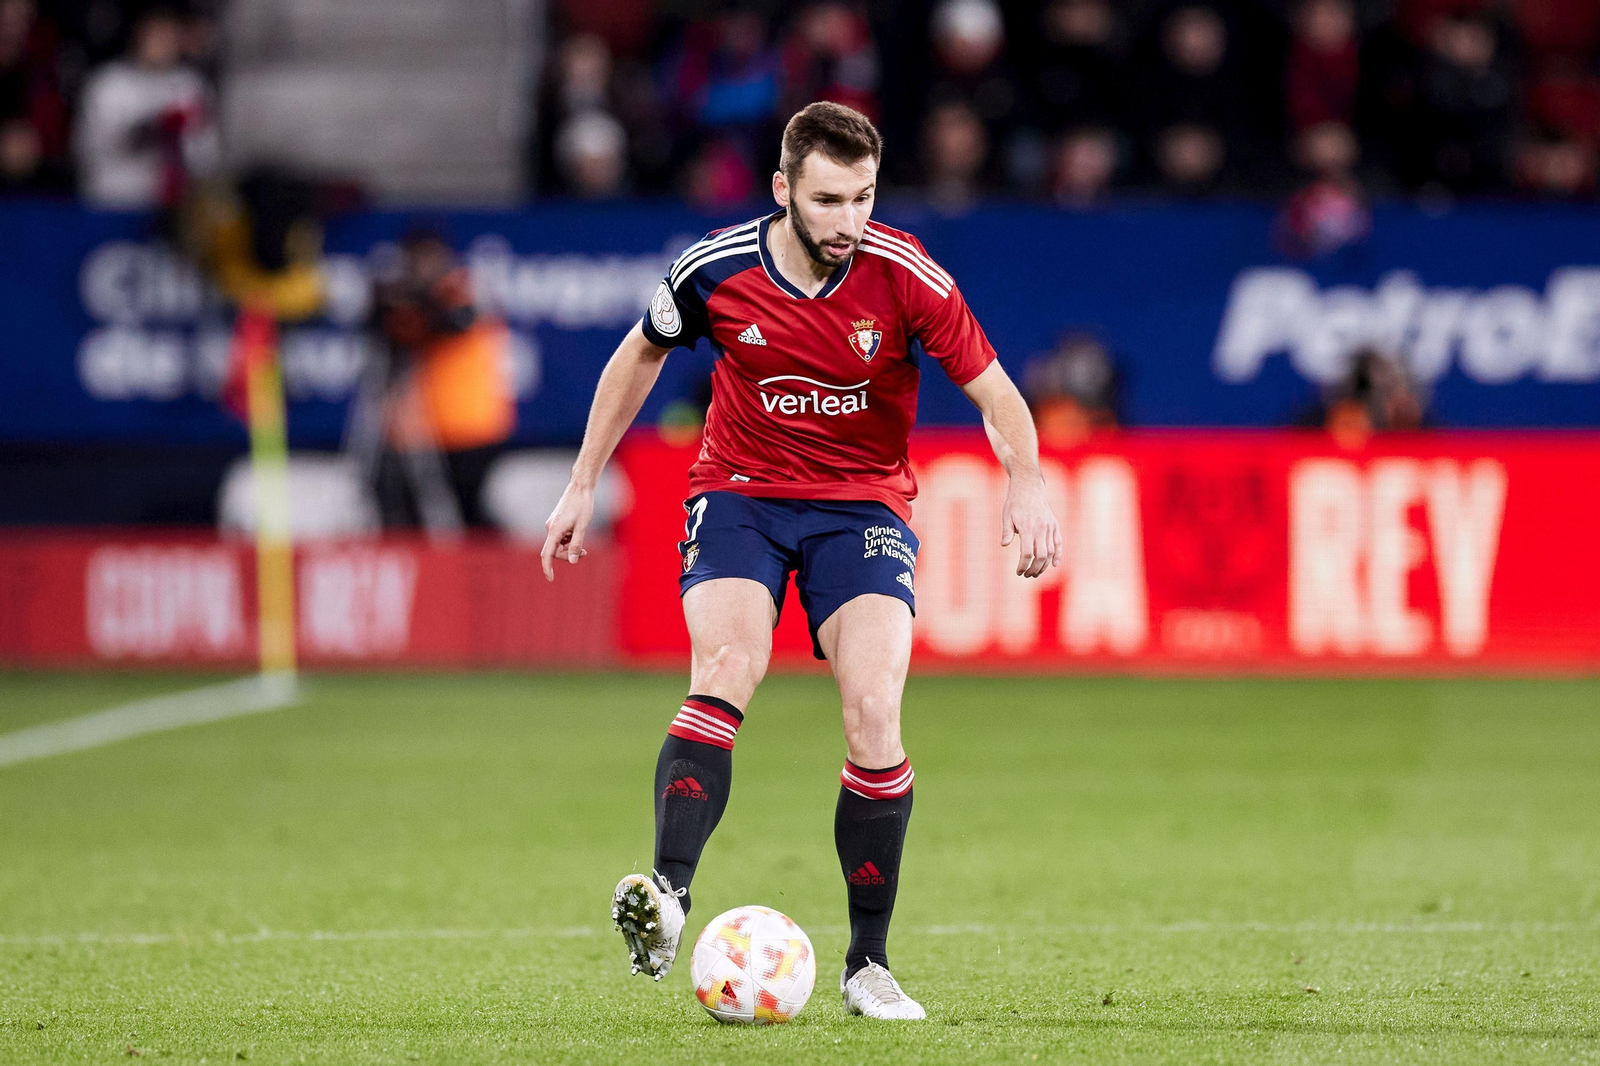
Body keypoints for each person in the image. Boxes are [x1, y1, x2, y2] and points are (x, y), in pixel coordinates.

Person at [540, 101, 1060, 1020]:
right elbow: (637, 357)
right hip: (739, 492)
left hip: (862, 504)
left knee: (873, 711)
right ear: (783, 191)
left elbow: (998, 391)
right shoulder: (715, 269)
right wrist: (584, 481)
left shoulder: (906, 277)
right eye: (827, 201)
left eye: (863, 198)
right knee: (729, 664)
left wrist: (1026, 480)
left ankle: (869, 965)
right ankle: (666, 898)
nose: (849, 223)